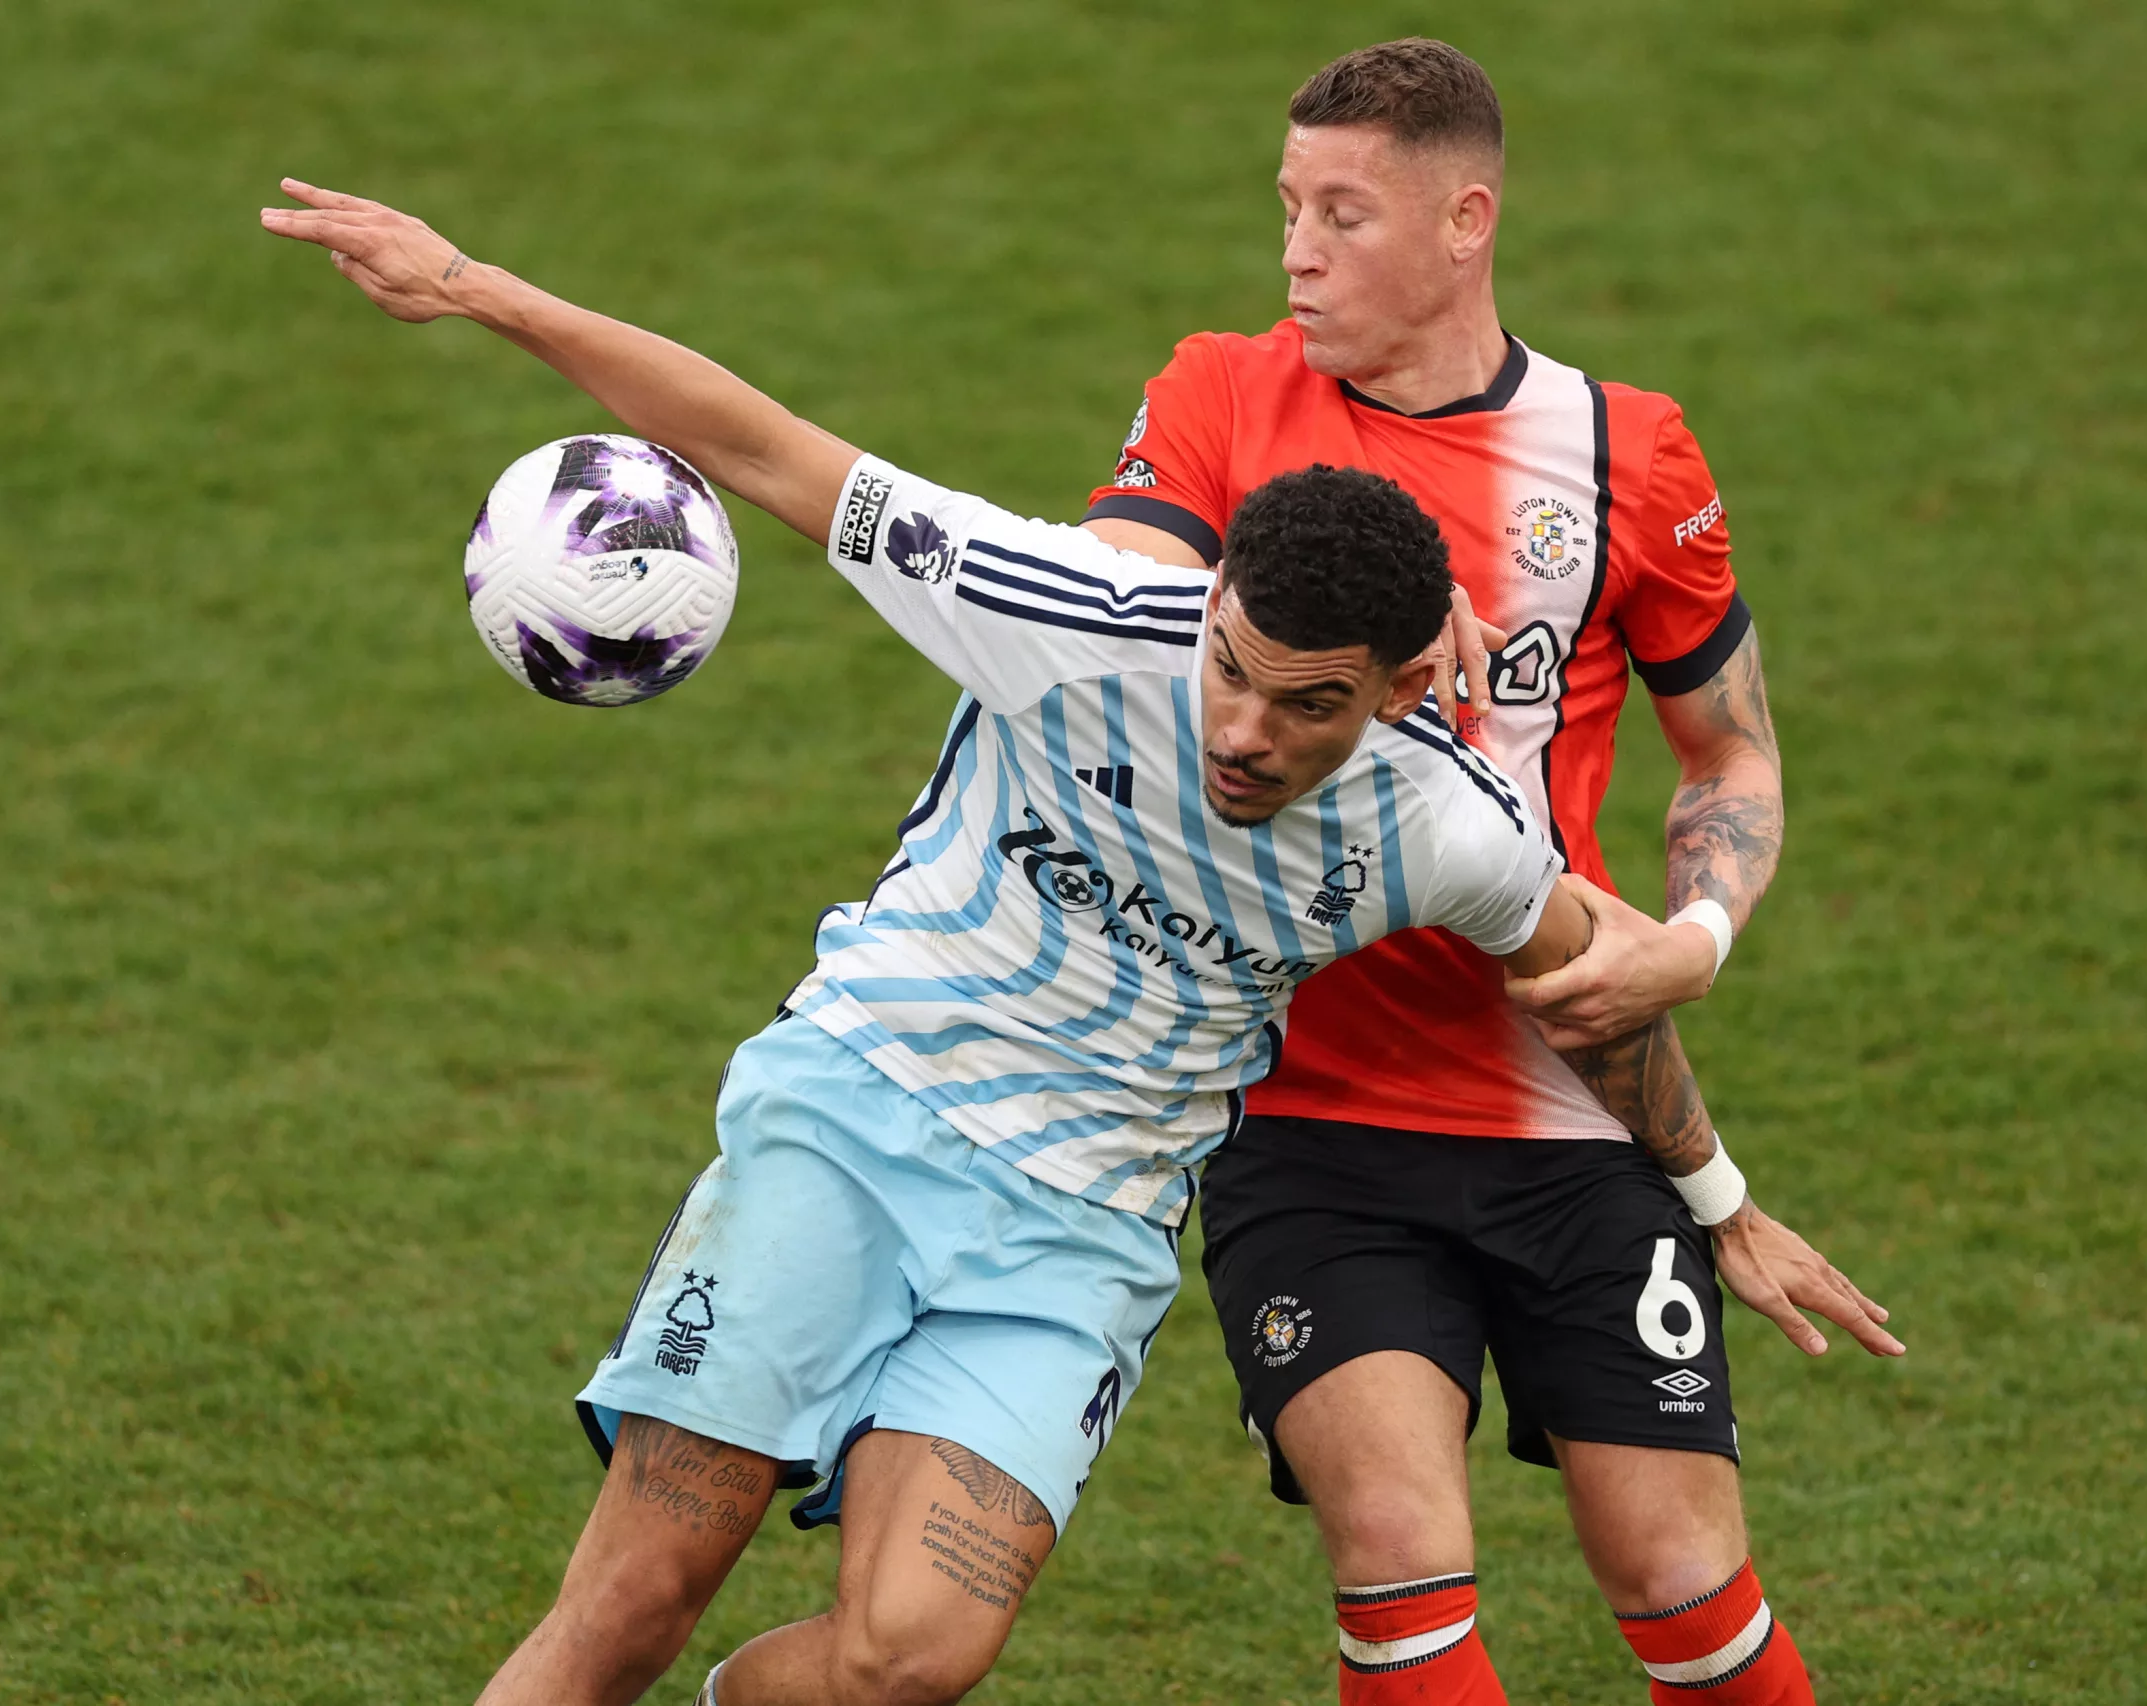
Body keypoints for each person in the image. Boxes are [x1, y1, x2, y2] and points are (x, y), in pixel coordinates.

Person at [257, 178, 1824, 1706]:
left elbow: (1592, 987)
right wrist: (474, 286)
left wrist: (1717, 1197)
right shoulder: (1062, 609)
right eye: (1231, 667)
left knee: (908, 1658)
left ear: (1402, 693)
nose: (1243, 731)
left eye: (1307, 705)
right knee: (627, 1612)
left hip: (1078, 1237)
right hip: (860, 1123)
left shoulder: (1452, 823)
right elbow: (760, 445)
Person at [1079, 39, 1905, 1706]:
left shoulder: (1627, 455)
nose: (1296, 250)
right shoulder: (1226, 392)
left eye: (1344, 214)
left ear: (1466, 222)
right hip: (1307, 1121)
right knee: (1402, 1553)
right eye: (1288, 207)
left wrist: (1698, 932)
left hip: (1570, 1104)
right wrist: (1342, 588)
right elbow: (1105, 606)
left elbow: (1728, 756)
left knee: (1686, 1581)